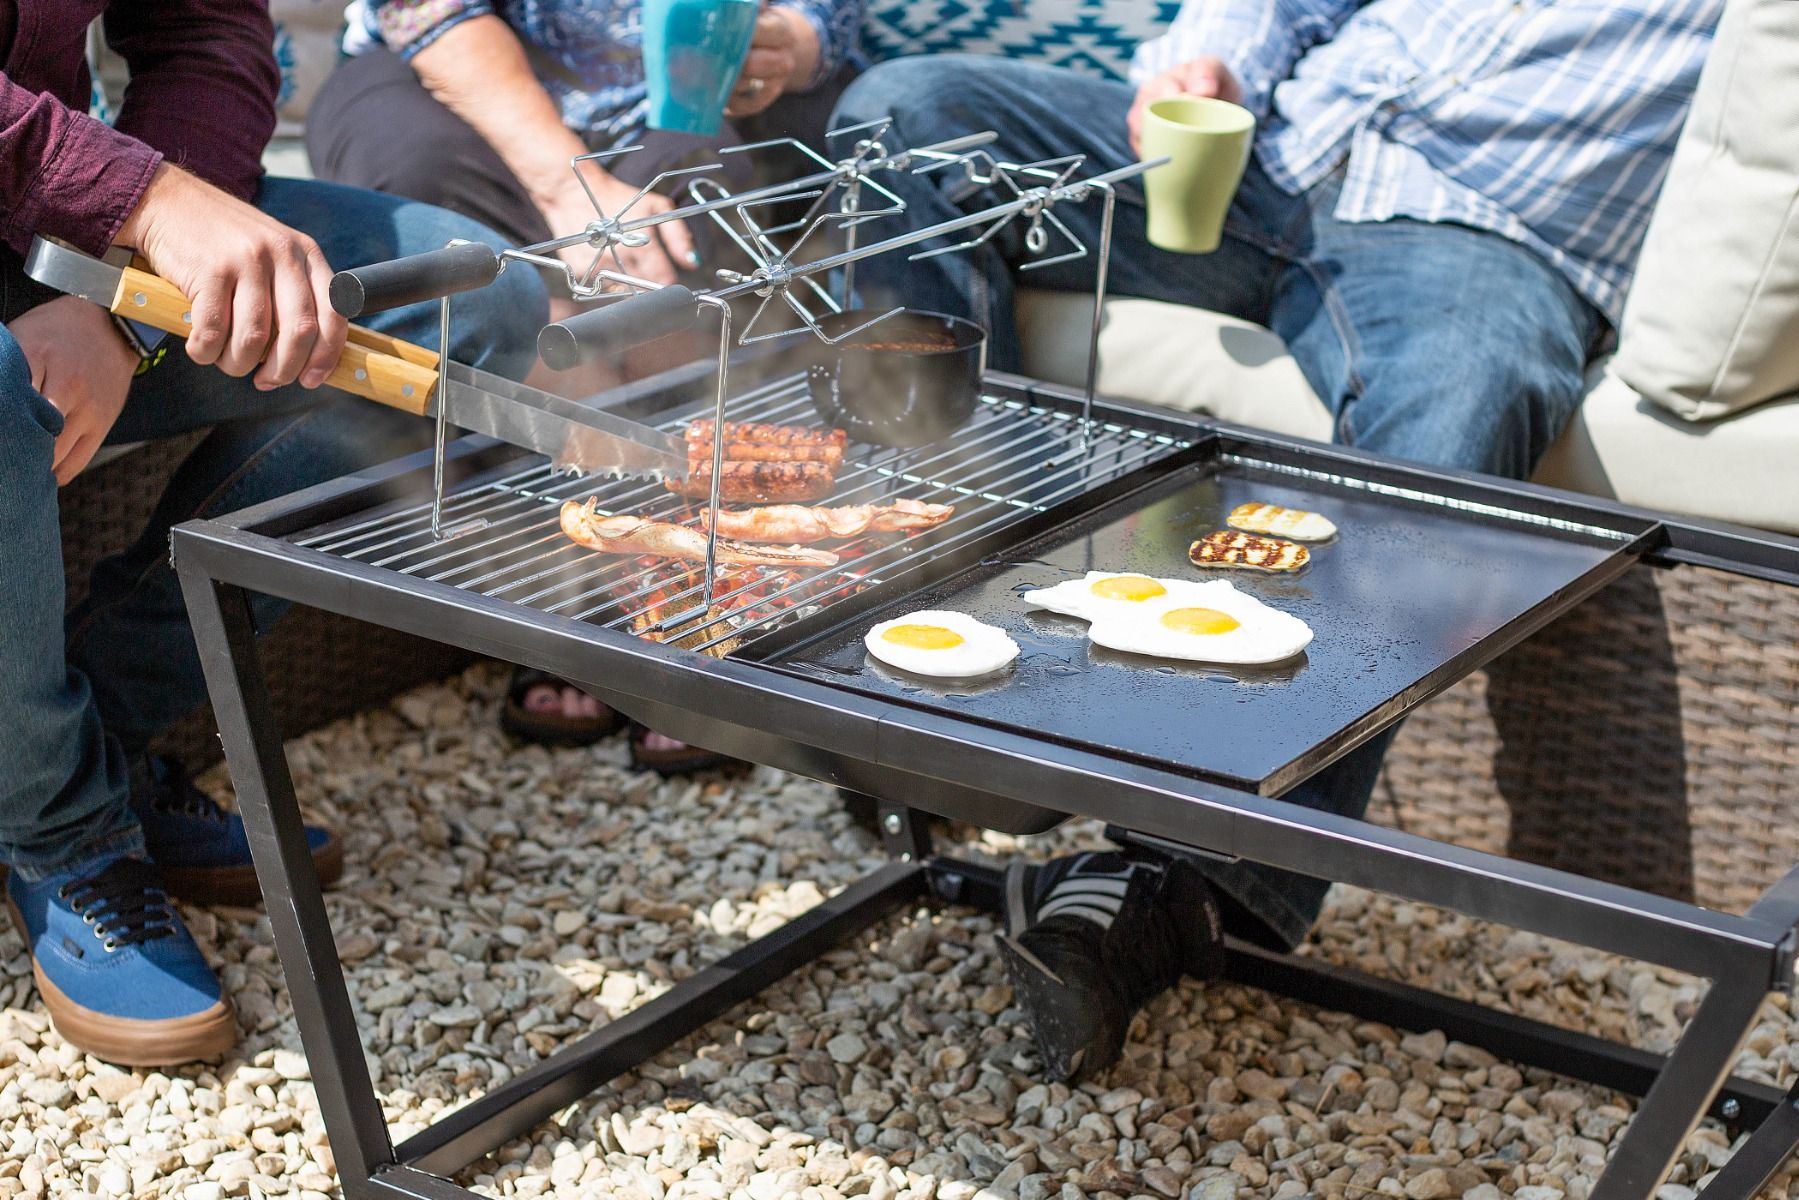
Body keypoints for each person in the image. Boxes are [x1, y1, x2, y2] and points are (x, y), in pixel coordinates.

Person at [834, 0, 1721, 1080]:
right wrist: (1198, 69)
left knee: (1460, 403)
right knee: (905, 113)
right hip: (1275, 158)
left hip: (1481, 237)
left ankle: (1183, 882)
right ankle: (930, 643)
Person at [2, 0, 548, 1065]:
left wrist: (124, 309)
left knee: (474, 308)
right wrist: (146, 203)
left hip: (54, 227)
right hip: (81, 199)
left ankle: (95, 730)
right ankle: (60, 826)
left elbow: (207, 30)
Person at [307, 0, 865, 773]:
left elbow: (823, 17)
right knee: (425, 185)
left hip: (674, 83)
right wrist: (567, 191)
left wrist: (795, 41)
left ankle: (677, 582)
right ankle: (583, 587)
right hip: (441, 78)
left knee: (701, 190)